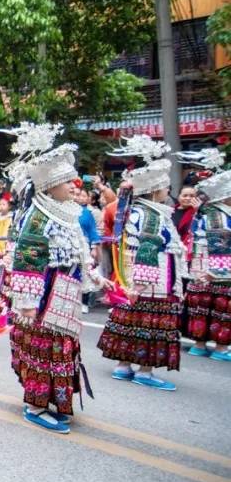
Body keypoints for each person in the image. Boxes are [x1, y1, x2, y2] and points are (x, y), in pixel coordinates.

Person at [0, 123, 112, 434]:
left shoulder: (69, 213)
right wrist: (26, 302)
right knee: (43, 348)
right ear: (49, 186)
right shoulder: (37, 217)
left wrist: (97, 278)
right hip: (44, 298)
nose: (73, 186)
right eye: (66, 182)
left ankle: (51, 400)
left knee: (60, 348)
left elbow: (79, 253)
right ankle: (35, 405)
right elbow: (27, 263)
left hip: (67, 294)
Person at [97, 137, 184, 389]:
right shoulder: (151, 216)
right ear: (156, 190)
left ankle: (123, 366)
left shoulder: (137, 212)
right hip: (151, 285)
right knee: (150, 326)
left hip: (133, 282)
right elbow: (146, 251)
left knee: (131, 322)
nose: (168, 192)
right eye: (166, 187)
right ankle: (145, 371)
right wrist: (141, 284)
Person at [180, 149, 231, 361]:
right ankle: (219, 348)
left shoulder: (205, 213)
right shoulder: (217, 214)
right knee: (219, 310)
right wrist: (218, 271)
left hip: (201, 270)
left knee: (201, 309)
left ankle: (200, 344)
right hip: (215, 273)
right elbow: (220, 245)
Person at [76, 187, 102, 314]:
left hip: (84, 245)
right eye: (77, 195)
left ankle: (85, 302)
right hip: (70, 245)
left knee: (86, 273)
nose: (79, 197)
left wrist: (94, 247)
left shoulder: (87, 213)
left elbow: (92, 230)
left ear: (88, 198)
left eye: (82, 195)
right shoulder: (67, 210)